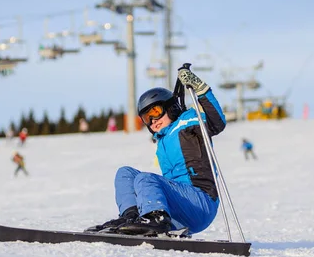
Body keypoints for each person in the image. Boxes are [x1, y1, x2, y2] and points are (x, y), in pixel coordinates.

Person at [87, 67, 226, 236]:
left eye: (156, 112)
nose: (153, 121)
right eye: (147, 118)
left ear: (170, 107)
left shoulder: (188, 122)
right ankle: (131, 217)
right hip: (177, 205)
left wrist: (201, 89)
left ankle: (157, 220)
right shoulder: (162, 139)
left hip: (200, 203)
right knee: (125, 173)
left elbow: (217, 122)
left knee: (146, 179)